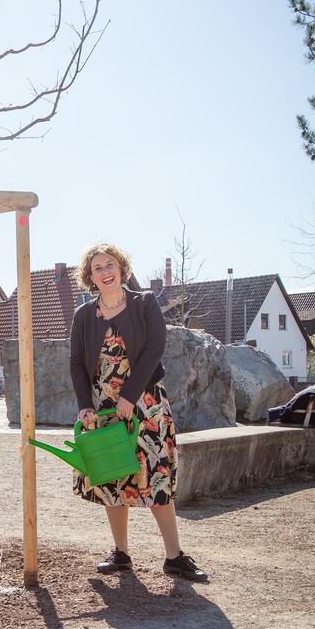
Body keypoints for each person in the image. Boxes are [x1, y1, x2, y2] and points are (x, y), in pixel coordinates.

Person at [69, 244, 208, 582]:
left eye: (110, 264)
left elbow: (154, 348)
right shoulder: (83, 315)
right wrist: (85, 405)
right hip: (103, 407)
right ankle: (120, 553)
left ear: (122, 268)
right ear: (90, 276)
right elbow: (76, 363)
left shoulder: (144, 303)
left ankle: (174, 556)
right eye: (98, 267)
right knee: (111, 475)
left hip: (146, 403)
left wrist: (130, 396)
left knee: (156, 472)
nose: (105, 271)